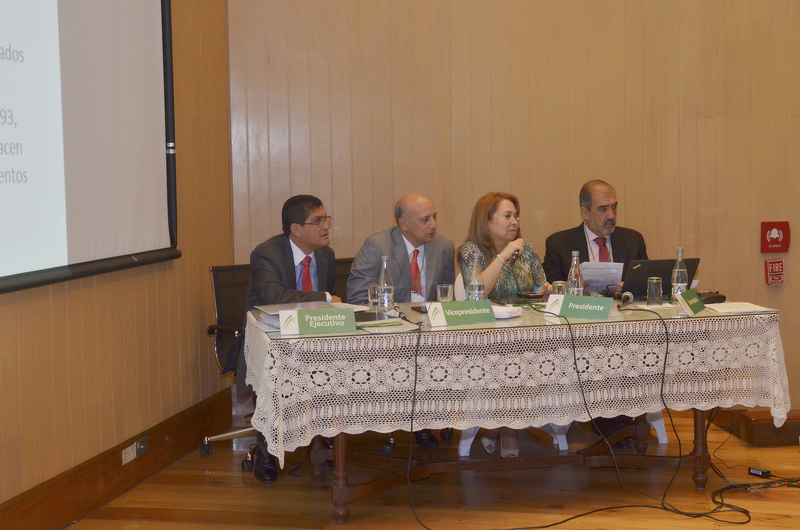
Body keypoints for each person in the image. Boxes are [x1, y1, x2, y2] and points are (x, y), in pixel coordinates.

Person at [244, 194, 341, 483]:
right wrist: (324, 297)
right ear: (295, 229)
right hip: (272, 337)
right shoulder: (266, 253)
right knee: (274, 377)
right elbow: (272, 296)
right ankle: (266, 452)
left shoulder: (326, 255)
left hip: (314, 336)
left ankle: (324, 440)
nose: (326, 226)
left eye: (326, 219)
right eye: (318, 221)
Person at [347, 192, 456, 448]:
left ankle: (426, 421)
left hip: (429, 333)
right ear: (403, 224)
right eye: (425, 220)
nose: (433, 225)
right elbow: (357, 297)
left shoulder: (444, 247)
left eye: (435, 217)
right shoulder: (378, 245)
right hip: (389, 332)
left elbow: (446, 295)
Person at [458, 192, 550, 458]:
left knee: (541, 355)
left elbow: (538, 284)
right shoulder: (472, 250)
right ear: (486, 221)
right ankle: (510, 431)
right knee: (512, 359)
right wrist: (504, 255)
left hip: (525, 329)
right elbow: (476, 294)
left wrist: (544, 290)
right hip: (486, 336)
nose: (514, 222)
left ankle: (496, 427)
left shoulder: (526, 248)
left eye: (516, 216)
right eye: (507, 216)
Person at [542, 179, 647, 285]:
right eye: (603, 209)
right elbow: (552, 288)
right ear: (585, 213)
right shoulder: (559, 245)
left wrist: (627, 286)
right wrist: (574, 286)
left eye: (614, 207)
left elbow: (645, 283)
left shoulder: (633, 241)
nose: (611, 215)